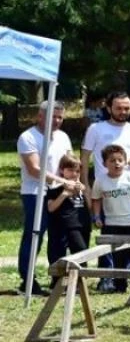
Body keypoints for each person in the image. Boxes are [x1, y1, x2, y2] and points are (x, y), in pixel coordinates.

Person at [81, 91, 130, 293]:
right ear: (109, 107)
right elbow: (84, 159)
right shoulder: (96, 128)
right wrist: (85, 186)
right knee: (108, 238)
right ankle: (106, 277)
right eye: (119, 108)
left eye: (127, 108)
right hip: (105, 191)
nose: (123, 112)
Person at [17, 100, 77, 296]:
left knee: (59, 238)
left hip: (60, 193)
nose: (58, 121)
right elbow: (34, 169)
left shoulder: (63, 137)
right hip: (36, 193)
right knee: (35, 235)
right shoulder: (28, 137)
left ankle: (57, 278)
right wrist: (62, 180)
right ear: (40, 116)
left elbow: (70, 162)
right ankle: (27, 279)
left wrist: (74, 182)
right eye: (54, 116)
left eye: (60, 117)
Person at [90, 145, 130, 294]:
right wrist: (97, 216)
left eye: (120, 160)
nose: (117, 163)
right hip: (112, 224)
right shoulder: (100, 180)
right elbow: (96, 199)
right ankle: (120, 285)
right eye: (112, 160)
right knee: (118, 256)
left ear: (125, 162)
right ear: (105, 163)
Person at [47, 155, 92, 288]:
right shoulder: (56, 189)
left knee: (82, 252)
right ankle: (57, 281)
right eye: (70, 170)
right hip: (63, 226)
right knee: (58, 253)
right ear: (62, 170)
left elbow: (89, 206)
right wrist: (65, 194)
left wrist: (84, 191)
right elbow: (51, 207)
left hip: (82, 224)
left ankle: (79, 281)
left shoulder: (81, 188)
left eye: (77, 171)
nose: (74, 174)